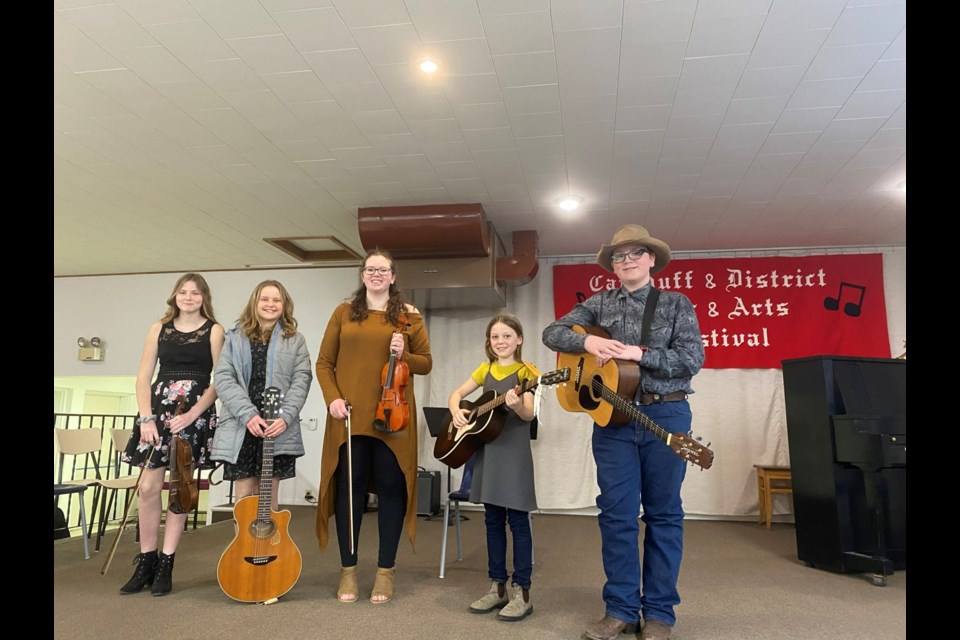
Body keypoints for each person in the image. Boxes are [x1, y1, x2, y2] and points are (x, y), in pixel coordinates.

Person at [542, 225, 705, 640]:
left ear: (651, 259)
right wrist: (587, 345)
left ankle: (660, 614)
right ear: (612, 266)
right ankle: (620, 610)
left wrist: (640, 354)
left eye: (636, 253)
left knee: (664, 515)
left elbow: (692, 359)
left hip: (665, 417)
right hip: (613, 421)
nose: (627, 260)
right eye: (619, 256)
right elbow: (552, 333)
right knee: (616, 516)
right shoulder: (597, 304)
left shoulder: (676, 303)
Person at [315, 249, 432, 605]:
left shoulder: (409, 316)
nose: (376, 274)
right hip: (348, 416)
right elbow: (324, 363)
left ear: (393, 276)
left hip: (392, 418)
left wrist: (405, 352)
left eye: (383, 269)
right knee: (349, 491)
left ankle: (385, 571)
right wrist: (332, 398)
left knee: (391, 488)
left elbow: (425, 364)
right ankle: (348, 569)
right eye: (370, 269)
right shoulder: (343, 313)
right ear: (363, 275)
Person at [119, 273, 224, 596]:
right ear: (175, 296)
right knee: (149, 488)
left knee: (180, 490)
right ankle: (146, 559)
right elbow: (142, 377)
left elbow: (218, 379)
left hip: (193, 415)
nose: (189, 298)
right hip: (158, 414)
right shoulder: (158, 329)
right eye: (183, 292)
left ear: (204, 297)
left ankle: (167, 561)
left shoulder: (214, 330)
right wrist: (146, 418)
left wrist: (193, 415)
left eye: (195, 293)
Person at [448, 313, 538, 622]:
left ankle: (522, 592)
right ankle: (497, 587)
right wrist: (456, 412)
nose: (501, 341)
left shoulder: (528, 372)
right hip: (487, 452)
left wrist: (517, 406)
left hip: (513, 455)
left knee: (518, 522)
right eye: (495, 337)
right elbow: (457, 395)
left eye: (507, 336)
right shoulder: (484, 368)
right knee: (492, 522)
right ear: (489, 342)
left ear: (519, 340)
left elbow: (527, 415)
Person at [211, 280, 313, 515]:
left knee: (268, 498)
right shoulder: (234, 338)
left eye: (276, 300)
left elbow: (302, 380)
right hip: (242, 423)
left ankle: (270, 551)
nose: (270, 304)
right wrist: (248, 415)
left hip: (276, 425)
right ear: (254, 303)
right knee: (245, 495)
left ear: (284, 305)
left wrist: (285, 417)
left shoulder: (295, 340)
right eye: (264, 299)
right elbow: (224, 379)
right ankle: (243, 550)